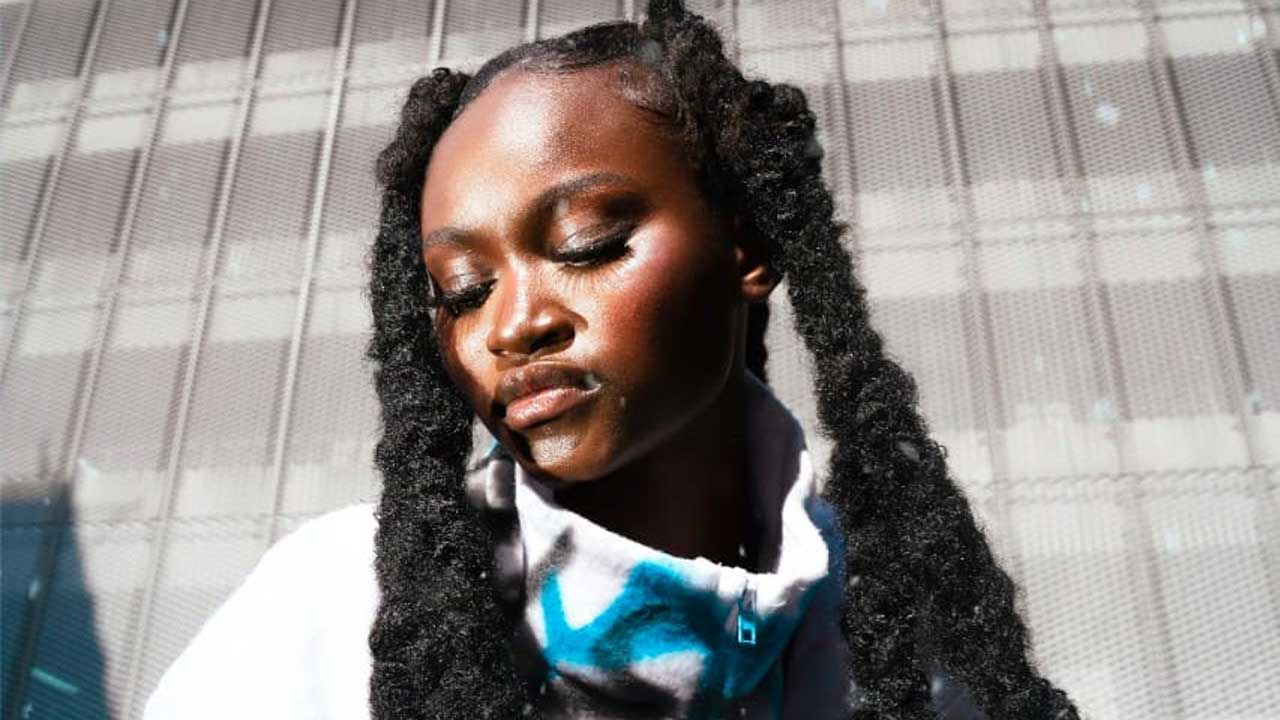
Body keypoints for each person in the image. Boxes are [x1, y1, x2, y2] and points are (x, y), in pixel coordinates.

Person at [145, 1, 1079, 718]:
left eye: (584, 244)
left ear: (748, 244)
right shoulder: (334, 605)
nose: (513, 325)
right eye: (463, 290)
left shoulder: (898, 631)